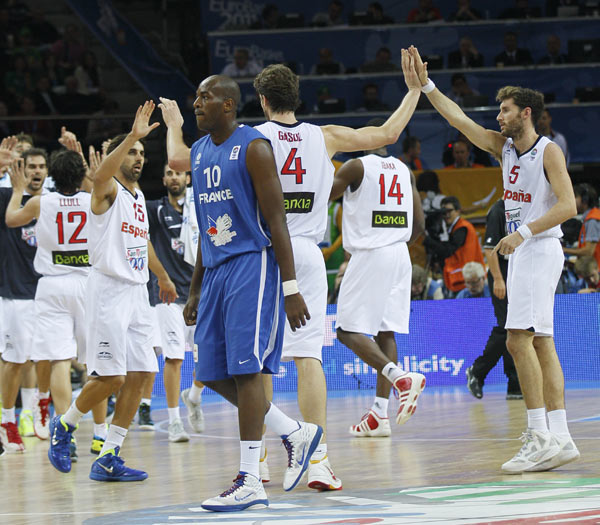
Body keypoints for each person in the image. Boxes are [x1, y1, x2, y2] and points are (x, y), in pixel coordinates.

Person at [252, 52, 422, 484]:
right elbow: (388, 132)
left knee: (261, 362)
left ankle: (258, 460)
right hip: (308, 253)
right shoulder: (324, 136)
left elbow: (184, 163)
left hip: (267, 253)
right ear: (296, 97)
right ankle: (320, 460)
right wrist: (415, 90)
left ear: (264, 100)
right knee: (309, 357)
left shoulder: (251, 138)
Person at [410, 45, 579, 472]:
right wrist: (427, 85)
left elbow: (568, 206)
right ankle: (559, 436)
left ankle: (538, 433)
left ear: (526, 113)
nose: (497, 115)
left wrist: (519, 234)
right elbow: (459, 120)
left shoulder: (548, 152)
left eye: (505, 110)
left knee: (518, 338)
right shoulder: (503, 148)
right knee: (541, 341)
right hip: (528, 251)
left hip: (538, 249)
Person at [158, 76, 322, 512]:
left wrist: (290, 288)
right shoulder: (199, 151)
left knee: (248, 371)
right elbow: (206, 228)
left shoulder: (254, 148)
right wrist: (194, 290)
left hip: (254, 263)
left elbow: (278, 222)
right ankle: (294, 432)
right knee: (211, 372)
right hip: (214, 270)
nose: (196, 103)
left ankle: (251, 478)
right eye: (194, 96)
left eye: (204, 97)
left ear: (228, 105)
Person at [47, 102, 178, 481]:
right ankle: (65, 423)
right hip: (107, 292)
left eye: (141, 153)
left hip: (138, 292)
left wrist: (163, 276)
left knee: (142, 373)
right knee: (112, 378)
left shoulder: (137, 198)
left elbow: (143, 242)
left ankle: (109, 456)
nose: (138, 158)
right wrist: (132, 135)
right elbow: (99, 174)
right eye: (132, 152)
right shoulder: (105, 191)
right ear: (118, 156)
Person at [329, 116, 426, 438]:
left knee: (346, 330)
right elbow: (420, 228)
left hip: (371, 252)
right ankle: (380, 415)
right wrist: (393, 239)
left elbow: (322, 199)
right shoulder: (404, 169)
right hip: (401, 253)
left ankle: (400, 378)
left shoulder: (355, 166)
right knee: (386, 331)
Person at [146, 162, 206, 442]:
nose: (173, 177)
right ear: (163, 179)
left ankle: (193, 396)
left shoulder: (201, 207)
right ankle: (174, 422)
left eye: (178, 173)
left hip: (199, 293)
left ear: (187, 177)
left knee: (210, 357)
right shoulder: (157, 210)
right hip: (168, 297)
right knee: (174, 357)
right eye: (168, 173)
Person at [0, 147, 47, 452]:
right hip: (15, 295)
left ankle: (33, 413)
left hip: (47, 294)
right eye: (31, 166)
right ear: (21, 169)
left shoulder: (52, 203)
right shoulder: (7, 198)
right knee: (14, 361)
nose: (36, 172)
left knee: (45, 358)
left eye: (42, 167)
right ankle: (7, 421)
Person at [465, 199, 521, 400]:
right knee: (507, 326)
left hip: (520, 272)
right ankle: (478, 372)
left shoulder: (527, 205)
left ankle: (515, 383)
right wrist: (498, 278)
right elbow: (490, 249)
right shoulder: (499, 209)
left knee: (518, 328)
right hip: (503, 274)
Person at [423, 196, 485, 295]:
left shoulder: (462, 228)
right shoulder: (454, 228)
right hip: (461, 279)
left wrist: (428, 240)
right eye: (443, 212)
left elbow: (448, 250)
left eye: (449, 211)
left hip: (466, 280)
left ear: (458, 211)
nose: (446, 215)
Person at [564, 184, 600, 266]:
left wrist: (563, 250)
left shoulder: (592, 220)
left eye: (575, 197)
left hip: (595, 272)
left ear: (584, 200)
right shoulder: (591, 217)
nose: (572, 200)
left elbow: (588, 251)